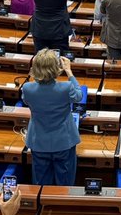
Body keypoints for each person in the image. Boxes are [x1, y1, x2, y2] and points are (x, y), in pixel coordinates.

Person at [22, 49, 83, 185]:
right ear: (57, 67)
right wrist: (69, 72)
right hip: (64, 142)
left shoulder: (27, 88)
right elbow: (79, 95)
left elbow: (27, 100)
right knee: (65, 185)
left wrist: (38, 74)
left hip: (38, 142)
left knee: (41, 186)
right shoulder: (66, 87)